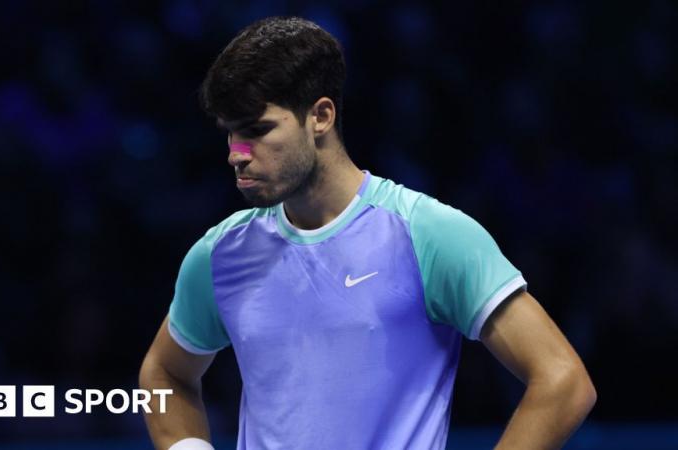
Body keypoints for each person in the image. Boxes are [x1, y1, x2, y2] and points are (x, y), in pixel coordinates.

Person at [139, 16, 596, 450]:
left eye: (257, 130)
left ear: (320, 116)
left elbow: (563, 381)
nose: (237, 154)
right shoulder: (219, 256)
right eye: (231, 133)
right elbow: (164, 373)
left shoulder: (429, 235)